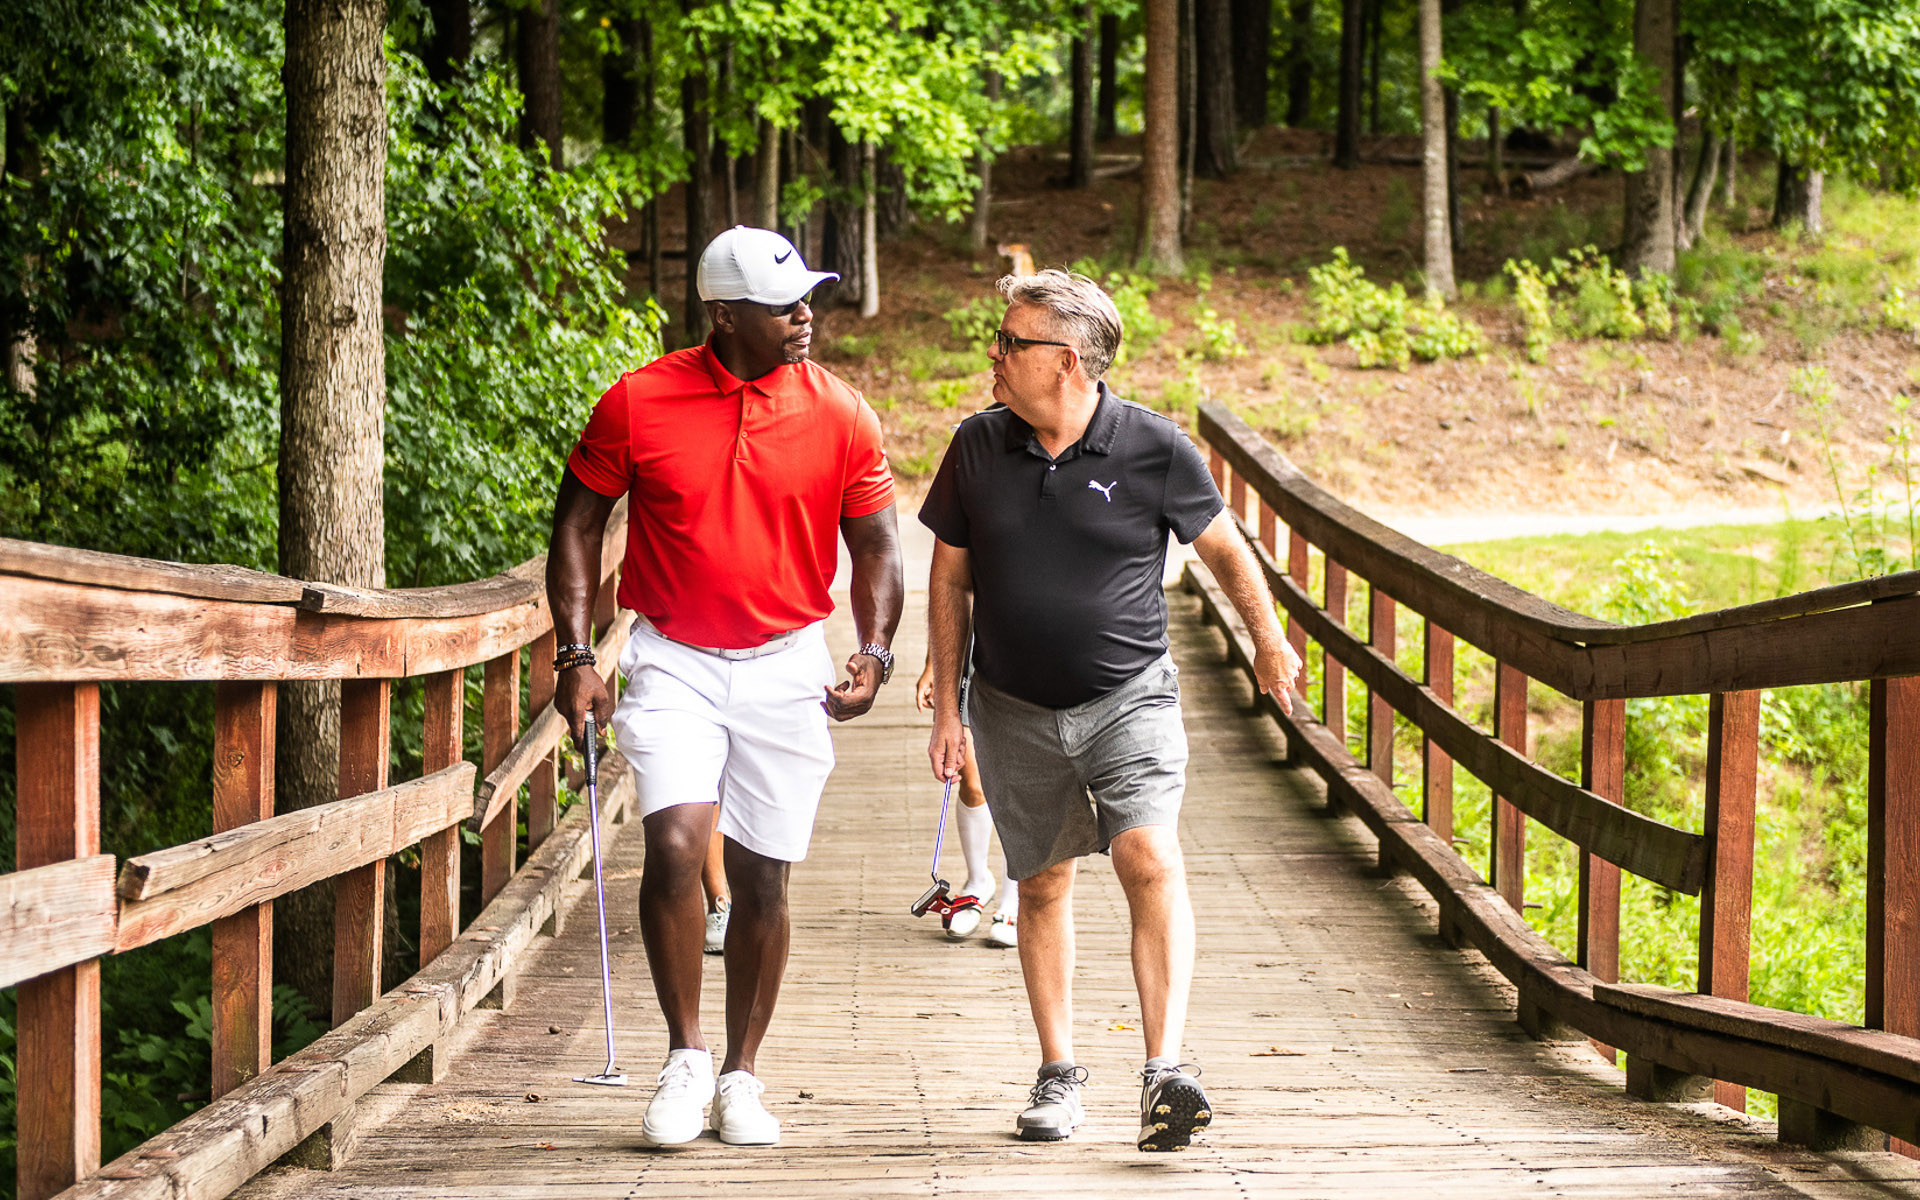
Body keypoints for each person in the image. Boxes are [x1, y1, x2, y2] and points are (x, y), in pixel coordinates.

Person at [920, 269, 1300, 1152]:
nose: (993, 354)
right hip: (1011, 706)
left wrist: (1269, 639)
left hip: (1130, 696)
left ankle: (1164, 1070)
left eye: (1010, 342)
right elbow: (949, 574)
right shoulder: (976, 445)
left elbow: (1224, 549)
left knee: (1149, 856)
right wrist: (947, 704)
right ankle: (1057, 1072)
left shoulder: (1153, 447)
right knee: (1043, 882)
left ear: (1067, 360)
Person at [548, 225, 903, 1149]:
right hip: (674, 657)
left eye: (806, 297)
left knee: (762, 876)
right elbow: (578, 523)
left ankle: (742, 1076)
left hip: (788, 661)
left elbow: (876, 543)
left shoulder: (842, 412)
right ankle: (685, 1058)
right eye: (782, 305)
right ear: (723, 314)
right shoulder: (639, 402)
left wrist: (874, 650)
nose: (803, 316)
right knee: (674, 845)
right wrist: (576, 654)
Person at [911, 652, 1017, 944]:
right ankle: (978, 880)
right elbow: (946, 618)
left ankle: (1015, 896)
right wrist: (932, 664)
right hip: (976, 654)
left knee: (1018, 788)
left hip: (1037, 655)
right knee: (972, 782)